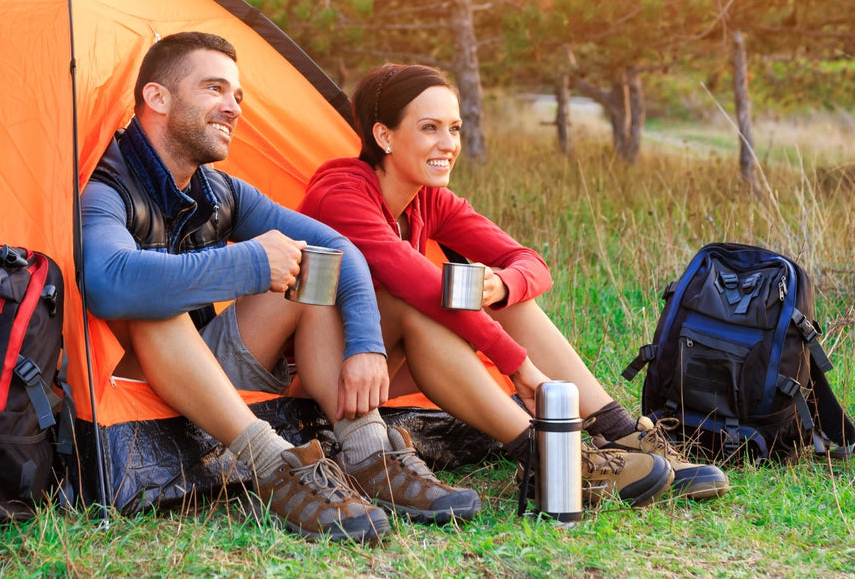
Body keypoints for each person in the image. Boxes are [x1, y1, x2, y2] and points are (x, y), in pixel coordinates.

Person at [80, 34, 481, 544]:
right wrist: (247, 262)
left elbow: (339, 249)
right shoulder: (106, 188)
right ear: (157, 98)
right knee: (152, 301)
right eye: (214, 89)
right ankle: (275, 467)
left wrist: (364, 344)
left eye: (238, 96)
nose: (233, 107)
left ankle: (366, 451)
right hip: (129, 387)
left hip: (204, 369)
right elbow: (109, 282)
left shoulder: (217, 190)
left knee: (313, 267)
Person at [298, 63, 731, 508]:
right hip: (321, 369)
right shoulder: (342, 192)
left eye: (454, 128)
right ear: (384, 136)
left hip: (378, 364)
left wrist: (501, 286)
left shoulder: (427, 198)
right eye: (429, 128)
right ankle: (552, 457)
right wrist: (518, 366)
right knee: (419, 302)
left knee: (503, 298)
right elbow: (418, 285)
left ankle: (619, 432)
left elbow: (531, 263)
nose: (448, 144)